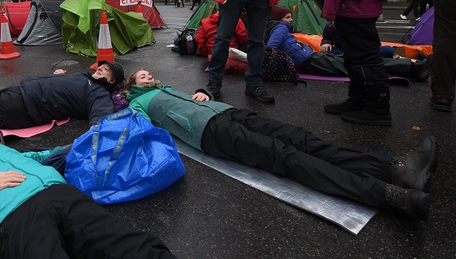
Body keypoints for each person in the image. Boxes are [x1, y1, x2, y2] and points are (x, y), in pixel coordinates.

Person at [124, 69, 437, 220]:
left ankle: (395, 169)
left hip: (226, 113)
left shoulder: (164, 88)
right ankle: (390, 196)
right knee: (287, 157)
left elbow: (190, 98)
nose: (148, 75)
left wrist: (203, 91)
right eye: (141, 76)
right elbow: (139, 130)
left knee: (301, 139)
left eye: (148, 72)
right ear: (131, 87)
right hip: (210, 134)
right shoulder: (137, 104)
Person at [0, 117, 205, 259]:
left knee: (136, 249)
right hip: (10, 219)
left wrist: (71, 149)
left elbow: (35, 156)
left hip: (60, 194)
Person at [267, 7, 433, 83]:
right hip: (314, 59)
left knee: (374, 56)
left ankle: (413, 62)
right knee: (364, 63)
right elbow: (270, 48)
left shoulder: (282, 29)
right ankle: (412, 66)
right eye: (287, 17)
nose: (290, 20)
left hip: (317, 57)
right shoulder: (281, 28)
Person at [196, 9, 248, 75]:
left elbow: (200, 41)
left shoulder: (205, 22)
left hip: (213, 55)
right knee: (252, 66)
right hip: (231, 53)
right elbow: (243, 37)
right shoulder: (235, 20)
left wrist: (207, 53)